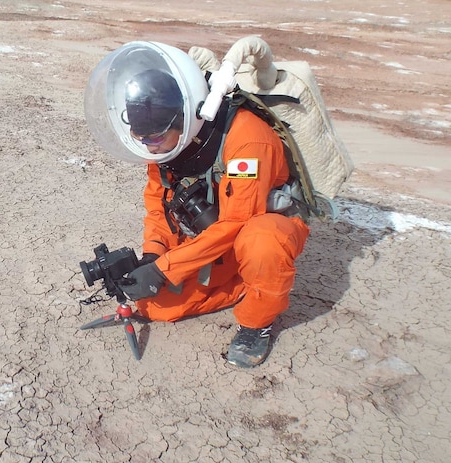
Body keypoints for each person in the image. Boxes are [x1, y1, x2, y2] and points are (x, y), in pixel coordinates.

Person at [83, 40, 311, 367]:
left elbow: (235, 223)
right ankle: (242, 282)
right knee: (157, 307)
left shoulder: (247, 139)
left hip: (257, 224)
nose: (150, 145)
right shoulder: (165, 143)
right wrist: (153, 255)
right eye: (141, 138)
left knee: (262, 240)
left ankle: (257, 322)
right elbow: (158, 206)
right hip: (214, 229)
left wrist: (165, 270)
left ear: (187, 116)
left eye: (155, 137)